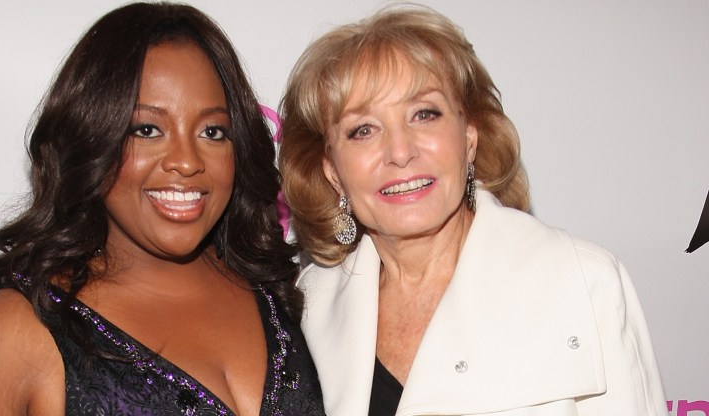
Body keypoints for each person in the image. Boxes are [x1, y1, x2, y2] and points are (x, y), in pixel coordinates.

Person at [0, 3, 325, 415]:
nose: (187, 160)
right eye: (147, 130)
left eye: (213, 131)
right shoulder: (12, 333)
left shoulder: (291, 298)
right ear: (93, 140)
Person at [279, 4, 666, 415]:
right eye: (363, 130)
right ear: (333, 171)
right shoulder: (311, 306)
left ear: (469, 138)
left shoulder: (583, 283)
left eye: (423, 114)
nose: (400, 152)